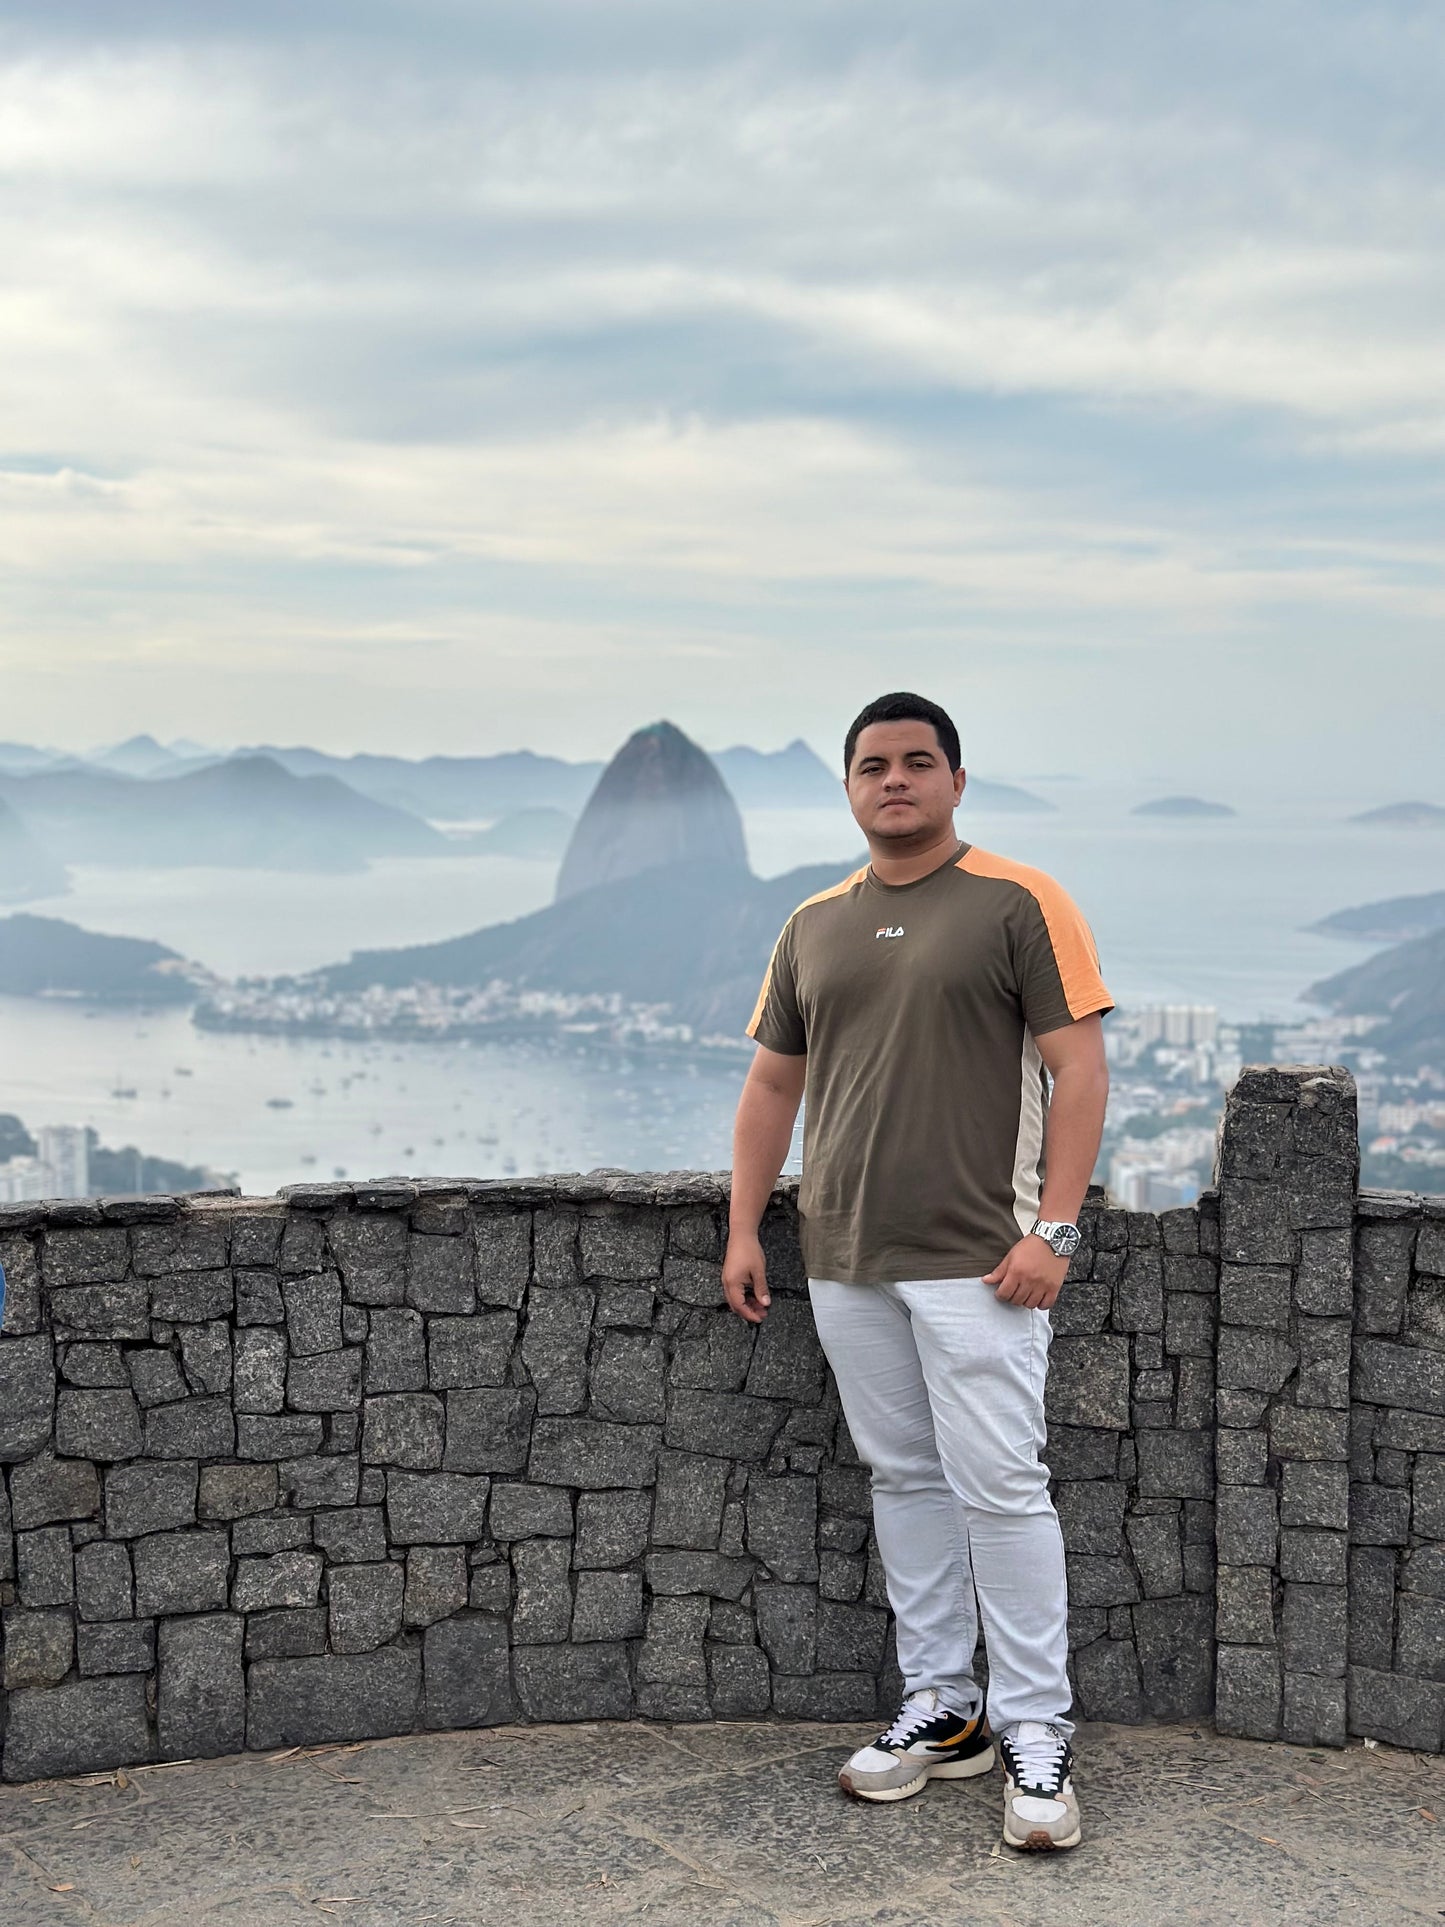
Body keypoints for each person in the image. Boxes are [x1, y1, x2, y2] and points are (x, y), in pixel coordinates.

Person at [721, 691, 1111, 1853]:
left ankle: (1035, 1727)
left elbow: (1080, 1069)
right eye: (871, 765)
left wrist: (1053, 1232)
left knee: (1000, 1486)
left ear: (953, 780)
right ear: (848, 786)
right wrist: (745, 1228)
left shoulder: (1018, 901)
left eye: (916, 761)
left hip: (980, 1258)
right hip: (844, 1253)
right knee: (903, 1479)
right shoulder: (811, 924)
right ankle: (944, 1707)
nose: (893, 779)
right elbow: (771, 1085)